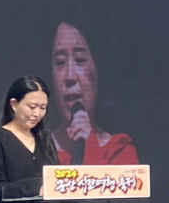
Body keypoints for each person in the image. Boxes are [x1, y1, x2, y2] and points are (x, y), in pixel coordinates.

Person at [50, 19, 138, 165]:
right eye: (60, 62)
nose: (70, 76)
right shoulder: (34, 152)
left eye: (80, 60)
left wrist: (90, 147)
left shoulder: (120, 151)